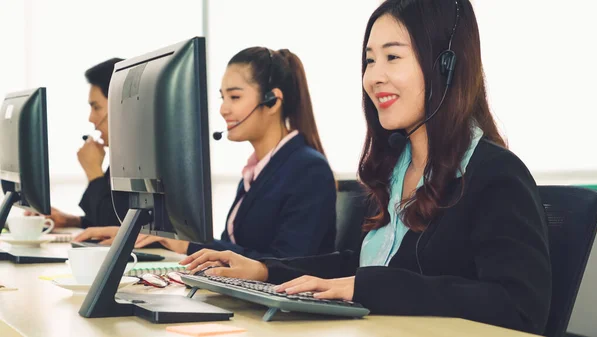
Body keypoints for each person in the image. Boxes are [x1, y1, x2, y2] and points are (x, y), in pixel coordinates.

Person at [178, 0, 552, 334]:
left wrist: (367, 287)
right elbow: (360, 264)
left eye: (392, 57)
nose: (373, 77)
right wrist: (264, 271)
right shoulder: (396, 168)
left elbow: (519, 308)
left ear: (446, 65)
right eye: (370, 60)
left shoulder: (496, 175)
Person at [75, 48, 338, 260]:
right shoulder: (259, 169)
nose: (223, 109)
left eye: (234, 97)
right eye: (222, 97)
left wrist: (188, 245)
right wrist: (145, 235)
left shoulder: (307, 169)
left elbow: (288, 264)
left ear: (272, 101)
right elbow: (236, 247)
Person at [26, 58, 128, 228]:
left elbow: (126, 230)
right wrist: (71, 221)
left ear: (121, 105)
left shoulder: (150, 160)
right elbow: (114, 222)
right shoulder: (123, 157)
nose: (91, 118)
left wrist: (94, 172)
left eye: (96, 107)